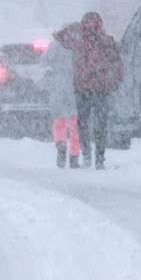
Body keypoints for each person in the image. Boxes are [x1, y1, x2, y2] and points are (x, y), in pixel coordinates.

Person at [55, 12, 123, 169]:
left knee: (84, 124)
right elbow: (118, 64)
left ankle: (89, 155)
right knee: (98, 125)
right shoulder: (105, 41)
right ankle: (98, 158)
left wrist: (73, 28)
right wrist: (115, 82)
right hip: (99, 89)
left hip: (85, 88)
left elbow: (60, 37)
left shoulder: (79, 41)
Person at [41, 40, 81, 168]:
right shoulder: (79, 44)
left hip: (58, 85)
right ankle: (74, 156)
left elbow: (44, 60)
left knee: (59, 120)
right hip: (75, 85)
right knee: (75, 124)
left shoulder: (56, 44)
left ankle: (60, 143)